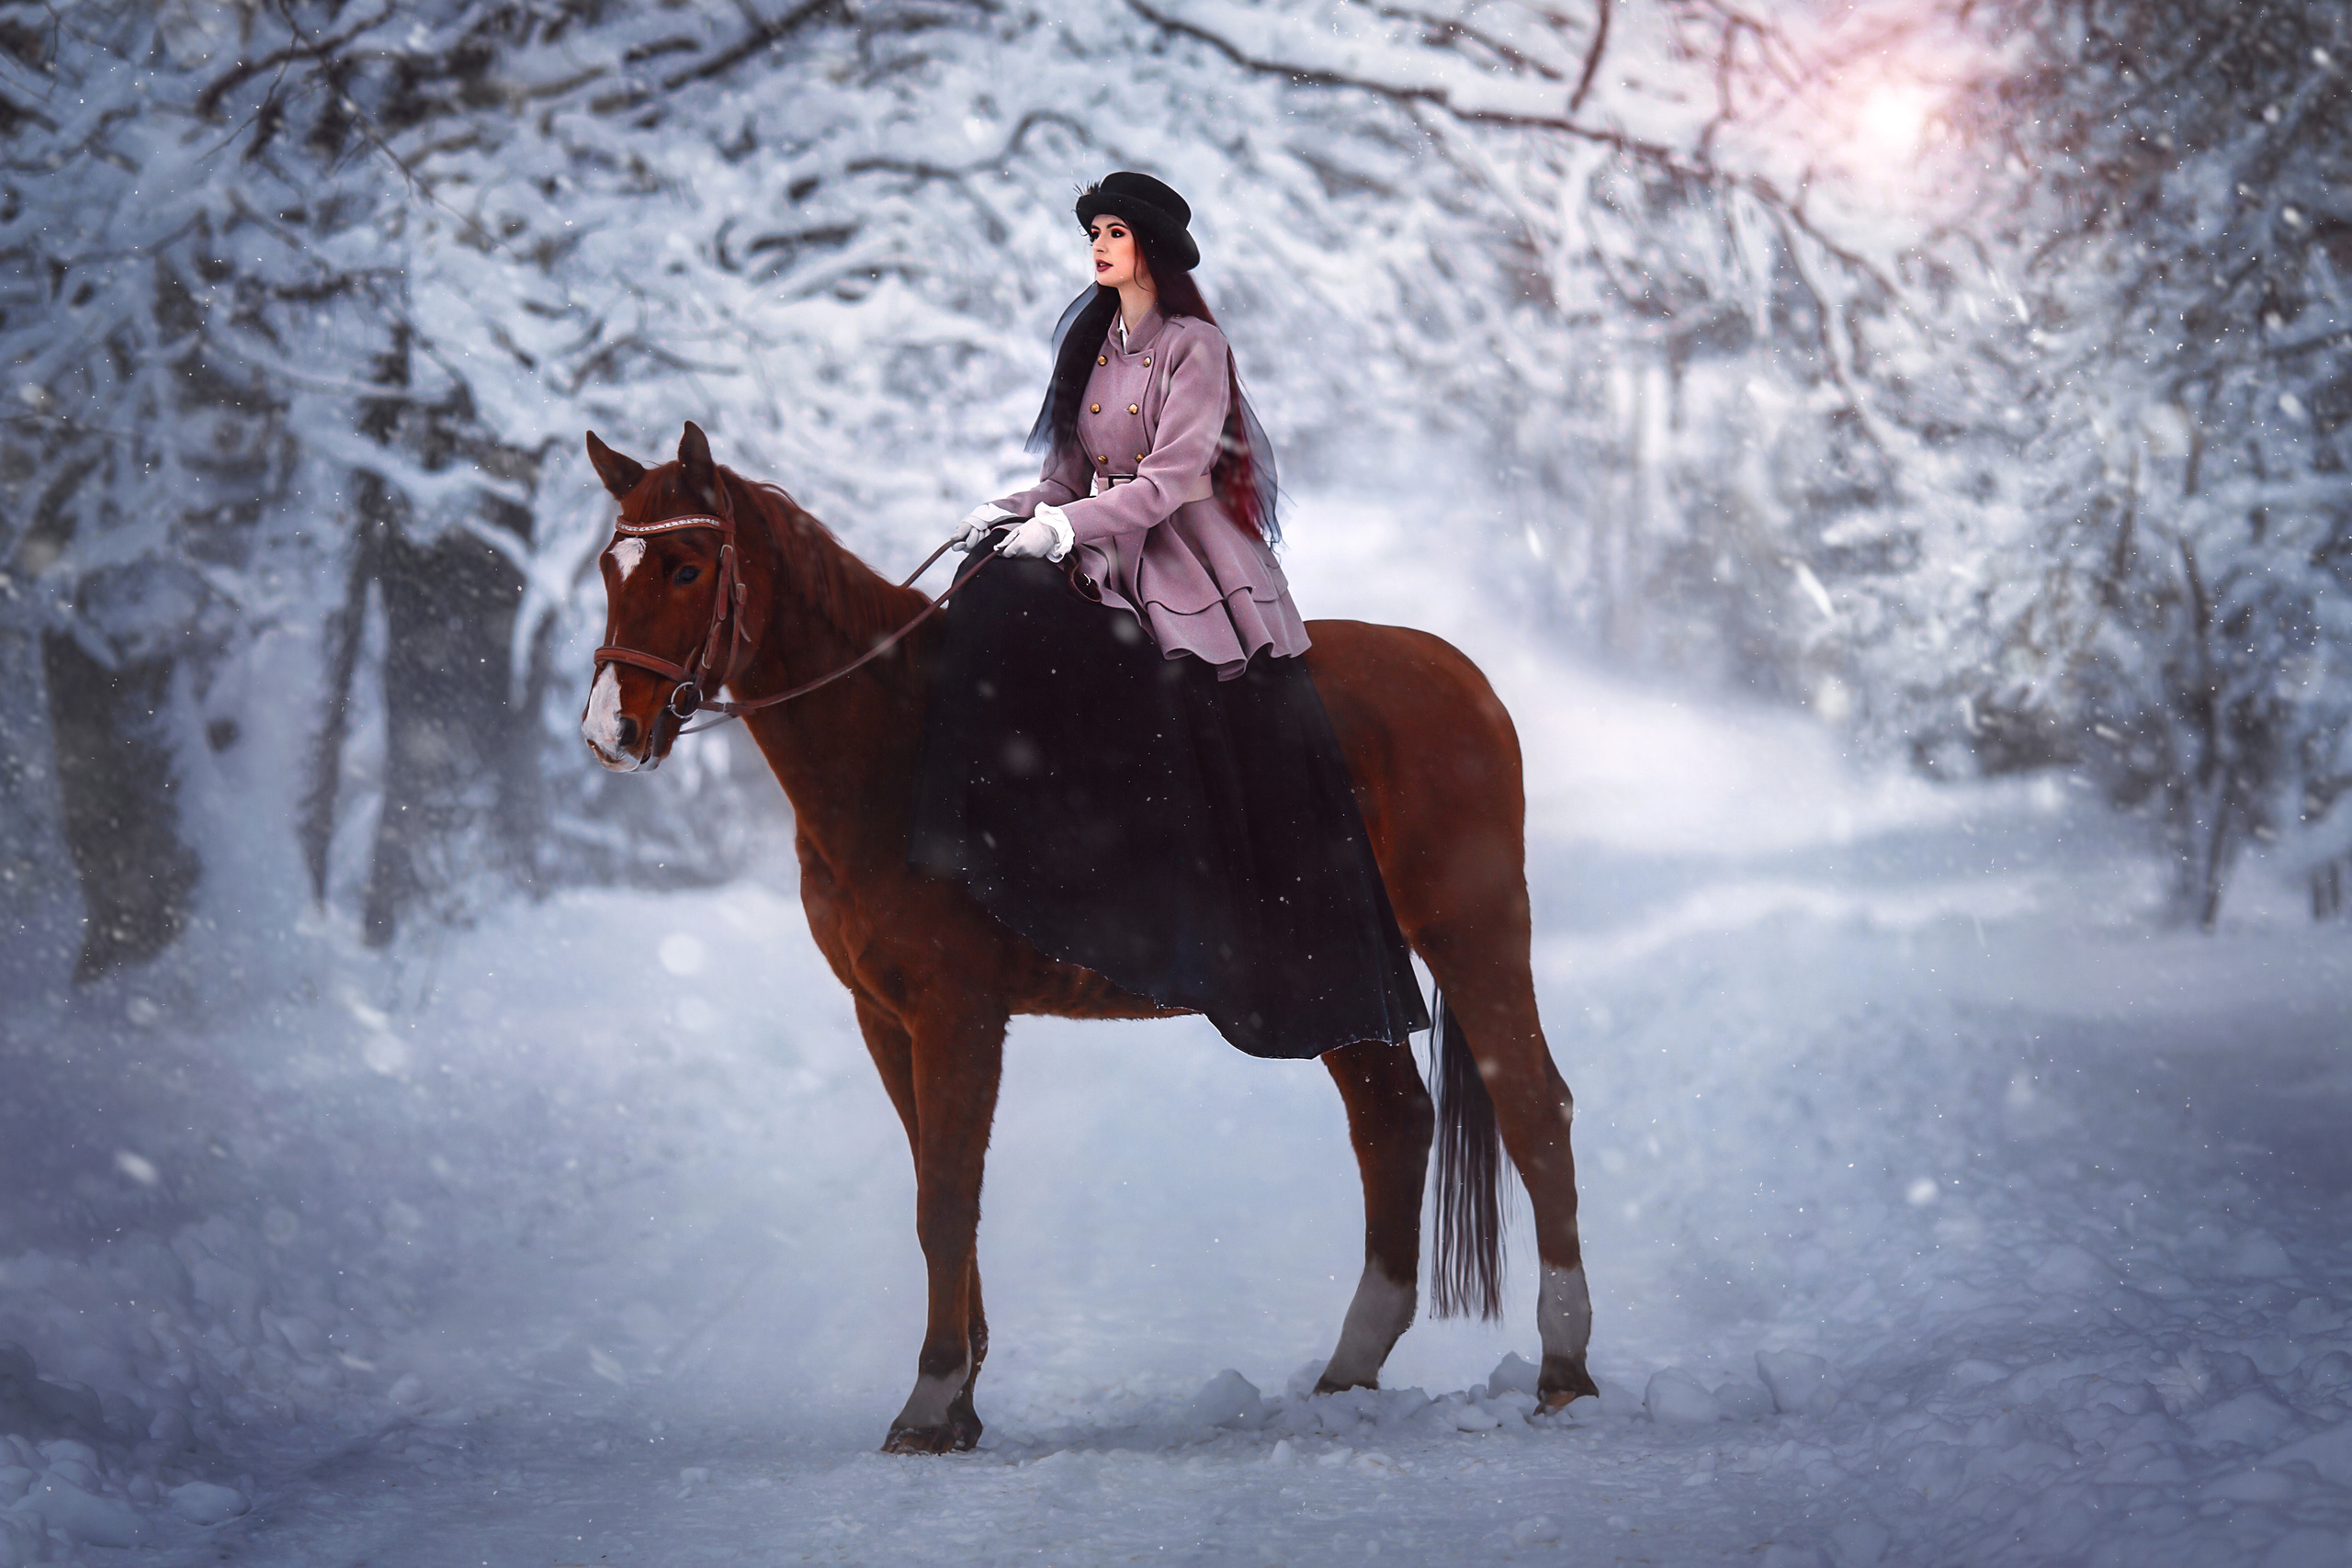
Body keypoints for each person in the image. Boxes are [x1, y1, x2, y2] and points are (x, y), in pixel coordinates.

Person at [908, 171, 1428, 1060]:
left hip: (1178, 546)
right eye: (1093, 233)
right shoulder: (1094, 344)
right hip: (1100, 533)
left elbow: (1166, 482)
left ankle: (1173, 885)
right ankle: (991, 843)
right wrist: (1008, 513)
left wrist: (1063, 529)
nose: (1100, 246)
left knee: (1120, 662)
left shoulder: (1195, 349)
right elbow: (1067, 477)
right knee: (991, 592)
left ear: (1149, 246)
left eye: (1114, 231)